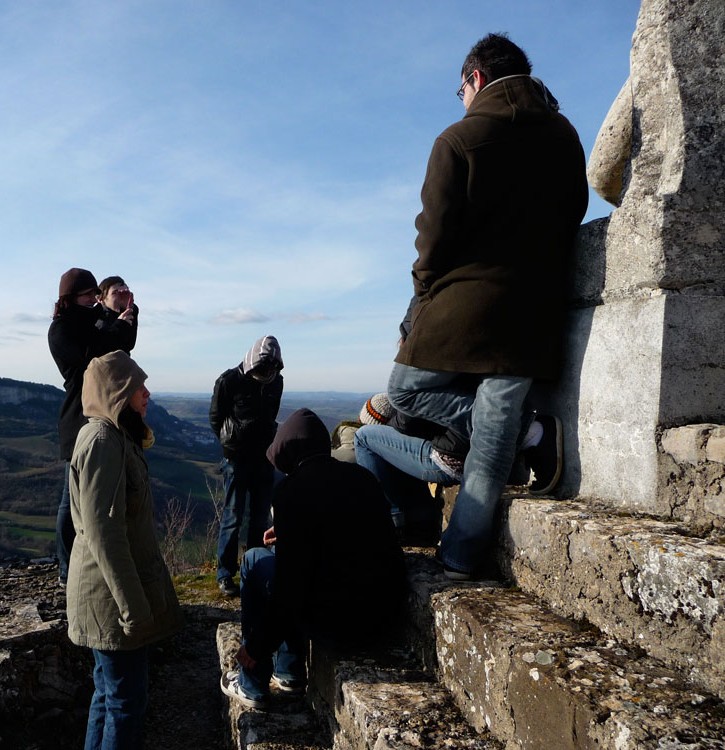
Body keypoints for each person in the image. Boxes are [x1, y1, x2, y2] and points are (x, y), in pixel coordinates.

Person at [385, 33, 588, 580]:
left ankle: (525, 435)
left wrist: (423, 293)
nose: (463, 99)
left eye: (461, 90)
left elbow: (433, 237)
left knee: (404, 389)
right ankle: (460, 554)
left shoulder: (459, 138)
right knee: (492, 431)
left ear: (475, 78)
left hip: (466, 311)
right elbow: (575, 210)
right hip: (535, 312)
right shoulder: (565, 136)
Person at [219, 409, 406, 710]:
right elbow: (342, 537)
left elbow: (291, 586)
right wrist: (289, 533)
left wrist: (256, 646)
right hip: (384, 616)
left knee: (255, 560)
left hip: (339, 627)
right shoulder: (363, 477)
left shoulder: (291, 491)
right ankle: (288, 674)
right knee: (285, 559)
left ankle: (252, 684)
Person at [67, 350, 182, 749]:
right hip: (111, 600)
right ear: (117, 391)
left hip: (108, 595)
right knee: (126, 701)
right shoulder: (102, 441)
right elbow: (105, 535)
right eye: (137, 386)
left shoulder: (114, 436)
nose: (146, 393)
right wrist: (133, 609)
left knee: (109, 695)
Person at [49, 268, 138, 585]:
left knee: (108, 496)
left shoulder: (92, 320)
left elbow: (124, 344)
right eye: (87, 294)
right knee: (71, 499)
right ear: (70, 298)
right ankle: (66, 569)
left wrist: (128, 311)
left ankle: (96, 563)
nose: (92, 299)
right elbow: (93, 354)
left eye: (93, 294)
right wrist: (117, 323)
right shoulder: (61, 329)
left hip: (106, 413)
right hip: (79, 417)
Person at [209, 335, 284, 597]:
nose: (265, 377)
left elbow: (272, 413)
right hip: (236, 460)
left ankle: (255, 570)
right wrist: (231, 444)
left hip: (264, 457)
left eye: (270, 373)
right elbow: (216, 419)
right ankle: (225, 574)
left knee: (261, 517)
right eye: (261, 372)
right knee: (233, 517)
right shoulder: (228, 381)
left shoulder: (276, 381)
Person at [97, 275, 138, 352]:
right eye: (115, 292)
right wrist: (120, 324)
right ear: (101, 300)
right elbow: (105, 348)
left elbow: (128, 345)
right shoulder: (97, 319)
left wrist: (129, 308)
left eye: (125, 292)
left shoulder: (128, 314)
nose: (121, 296)